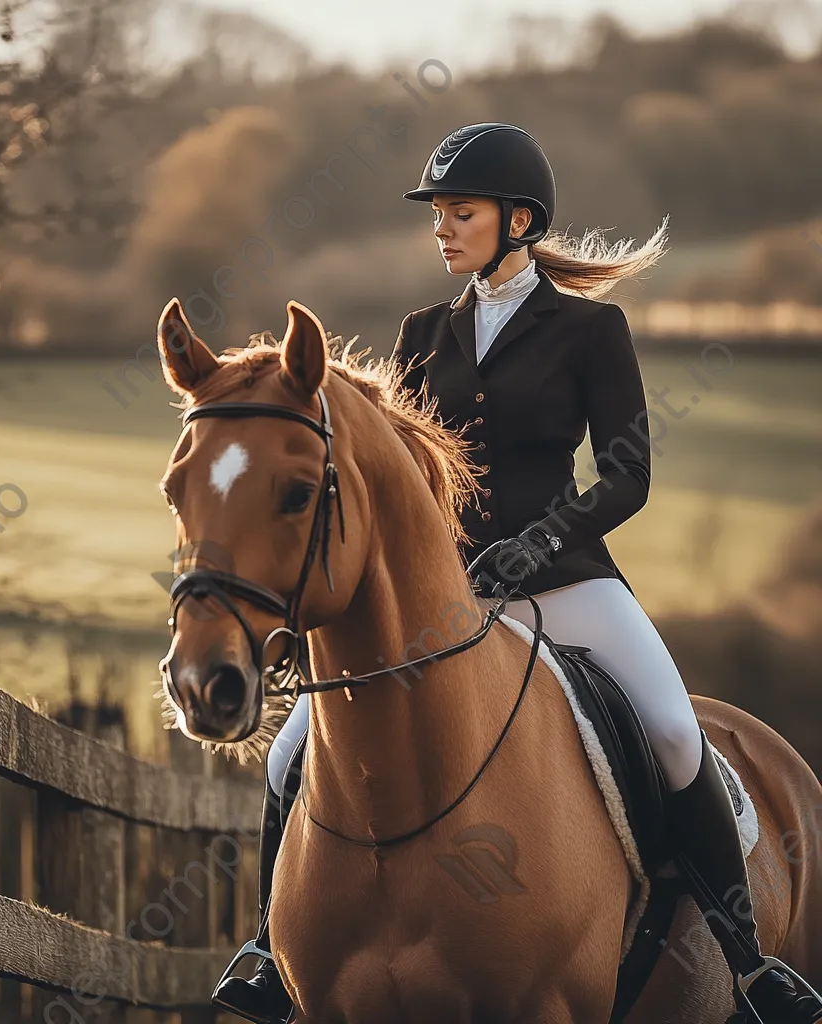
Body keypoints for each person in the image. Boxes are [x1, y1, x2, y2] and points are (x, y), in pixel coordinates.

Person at [214, 123, 822, 1024]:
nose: (443, 229)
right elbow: (400, 473)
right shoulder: (424, 332)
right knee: (295, 750)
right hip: (446, 598)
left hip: (569, 582)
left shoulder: (588, 330)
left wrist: (538, 545)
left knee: (671, 732)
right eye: (439, 214)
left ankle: (750, 964)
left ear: (520, 220)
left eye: (461, 212)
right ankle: (271, 949)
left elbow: (627, 474)